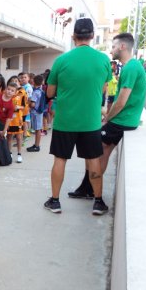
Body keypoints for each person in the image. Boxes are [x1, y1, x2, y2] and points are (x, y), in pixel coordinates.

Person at [45, 18, 112, 215]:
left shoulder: (62, 60)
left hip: (65, 120)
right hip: (90, 121)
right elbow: (104, 87)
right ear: (92, 36)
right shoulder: (103, 60)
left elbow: (50, 92)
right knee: (93, 160)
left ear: (74, 36)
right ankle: (98, 201)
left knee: (60, 159)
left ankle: (55, 201)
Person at [68, 33, 146, 201]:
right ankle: (87, 188)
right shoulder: (133, 66)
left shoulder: (131, 67)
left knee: (93, 152)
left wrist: (107, 118)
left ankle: (91, 190)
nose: (111, 50)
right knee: (97, 152)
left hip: (121, 121)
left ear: (122, 47)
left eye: (113, 46)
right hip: (125, 120)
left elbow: (121, 101)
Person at [26, 75, 45, 152]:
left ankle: (36, 146)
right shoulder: (41, 90)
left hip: (36, 112)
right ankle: (36, 144)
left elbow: (33, 104)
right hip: (39, 112)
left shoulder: (35, 92)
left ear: (33, 82)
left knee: (37, 130)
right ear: (42, 82)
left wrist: (29, 101)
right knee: (38, 129)